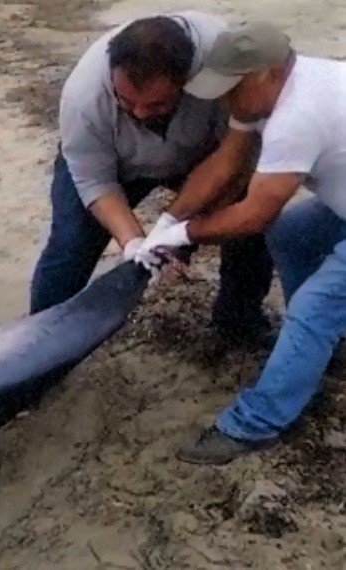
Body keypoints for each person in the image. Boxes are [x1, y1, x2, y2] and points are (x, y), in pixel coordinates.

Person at [137, 21, 346, 464]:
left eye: (232, 89)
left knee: (314, 305)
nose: (225, 101)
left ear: (265, 74)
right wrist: (169, 221)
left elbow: (254, 214)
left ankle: (255, 423)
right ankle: (323, 346)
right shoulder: (273, 92)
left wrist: (186, 234)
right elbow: (228, 163)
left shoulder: (297, 115)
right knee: (291, 235)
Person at [29, 11, 273, 340]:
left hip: (200, 152)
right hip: (116, 161)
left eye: (156, 105)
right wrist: (133, 242)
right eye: (126, 102)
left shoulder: (226, 67)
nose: (141, 113)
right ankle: (40, 337)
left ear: (188, 81)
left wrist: (181, 229)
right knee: (70, 246)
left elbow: (235, 159)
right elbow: (95, 183)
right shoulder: (84, 98)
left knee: (248, 218)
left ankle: (238, 320)